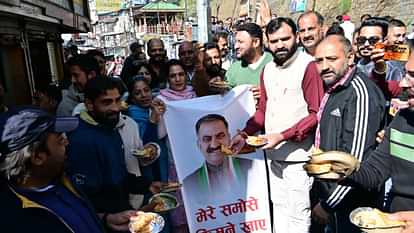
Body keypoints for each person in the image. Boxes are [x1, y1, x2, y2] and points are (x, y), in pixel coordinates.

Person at [230, 17, 324, 233]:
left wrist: (282, 135)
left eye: (285, 39)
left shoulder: (308, 66)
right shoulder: (268, 70)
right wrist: (244, 134)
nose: (280, 45)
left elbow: (315, 114)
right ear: (267, 42)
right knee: (279, 209)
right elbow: (263, 111)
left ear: (296, 38)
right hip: (273, 155)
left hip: (298, 158)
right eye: (274, 41)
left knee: (299, 216)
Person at [66, 78, 163, 233]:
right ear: (89, 104)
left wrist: (146, 185)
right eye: (106, 102)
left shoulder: (110, 125)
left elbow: (117, 174)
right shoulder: (80, 139)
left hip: (122, 217)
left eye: (117, 100)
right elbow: (84, 194)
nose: (115, 108)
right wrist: (106, 218)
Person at [311, 35, 386, 233]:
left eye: (332, 59)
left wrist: (329, 204)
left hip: (351, 204)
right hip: (331, 194)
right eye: (319, 60)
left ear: (350, 57)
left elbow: (356, 162)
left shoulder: (359, 93)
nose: (325, 66)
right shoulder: (334, 88)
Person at [0, 108, 106, 233]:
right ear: (38, 157)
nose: (67, 142)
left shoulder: (60, 178)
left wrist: (104, 220)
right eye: (60, 140)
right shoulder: (17, 221)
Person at [340, 49, 414, 213]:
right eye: (405, 74)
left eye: (413, 75)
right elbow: (374, 172)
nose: (403, 83)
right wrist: (338, 170)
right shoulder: (403, 119)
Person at [156, 59, 197, 233]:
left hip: (196, 157)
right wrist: (161, 114)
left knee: (198, 202)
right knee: (179, 210)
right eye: (173, 76)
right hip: (175, 161)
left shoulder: (195, 95)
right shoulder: (161, 100)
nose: (178, 79)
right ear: (168, 79)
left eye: (181, 74)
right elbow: (160, 134)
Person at [185, 114, 252, 201]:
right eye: (207, 139)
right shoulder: (190, 183)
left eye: (220, 136)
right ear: (199, 145)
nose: (214, 144)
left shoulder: (251, 168)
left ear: (229, 138)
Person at [225, 23, 273, 102]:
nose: (236, 46)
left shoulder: (274, 63)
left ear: (256, 42)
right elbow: (226, 97)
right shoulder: (233, 69)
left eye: (240, 42)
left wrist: (266, 94)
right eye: (236, 42)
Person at [357, 18, 404, 82]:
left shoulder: (392, 68)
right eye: (362, 40)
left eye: (373, 40)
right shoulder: (357, 62)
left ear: (385, 41)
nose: (366, 44)